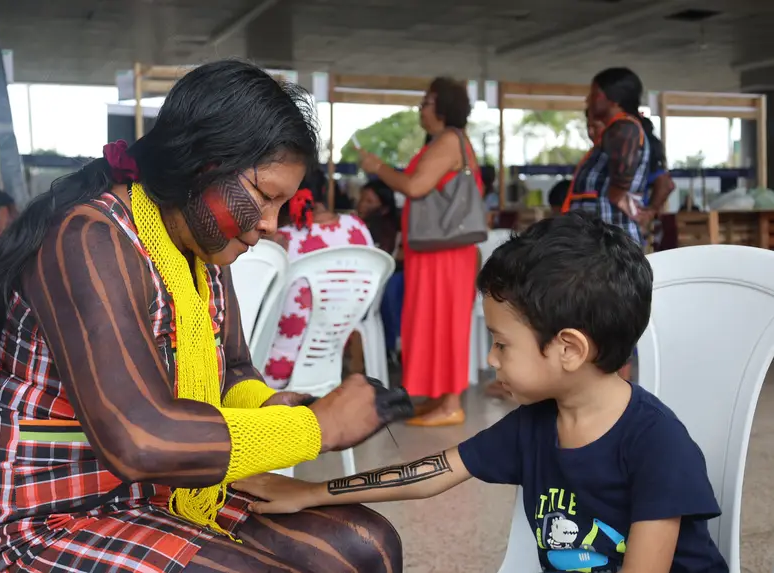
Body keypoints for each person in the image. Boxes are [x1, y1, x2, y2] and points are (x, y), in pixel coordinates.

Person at [0, 61, 408, 573]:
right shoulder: (89, 238)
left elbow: (233, 370)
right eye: (264, 197)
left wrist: (271, 405)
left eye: (283, 204)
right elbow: (140, 439)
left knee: (368, 544)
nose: (270, 224)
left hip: (160, 493)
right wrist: (315, 428)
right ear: (201, 167)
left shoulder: (201, 249)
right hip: (42, 522)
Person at [233, 212, 729, 573]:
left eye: (502, 344)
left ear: (569, 349)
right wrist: (311, 492)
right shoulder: (537, 424)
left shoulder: (658, 445)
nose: (491, 359)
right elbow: (431, 474)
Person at [358, 77, 483, 426]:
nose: (420, 108)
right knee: (431, 320)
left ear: (443, 107)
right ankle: (439, 396)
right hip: (434, 251)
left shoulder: (449, 140)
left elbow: (415, 186)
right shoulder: (444, 141)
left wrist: (378, 168)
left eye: (426, 102)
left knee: (446, 321)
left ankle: (451, 403)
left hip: (445, 252)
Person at [264, 169, 374, 387]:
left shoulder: (282, 241)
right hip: (329, 359)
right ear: (324, 191)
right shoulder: (357, 227)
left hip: (274, 367)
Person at [561, 68, 653, 245]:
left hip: (610, 237)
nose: (588, 100)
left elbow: (623, 173)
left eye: (594, 94)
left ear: (614, 98)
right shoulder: (614, 130)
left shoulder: (625, 128)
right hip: (601, 237)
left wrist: (618, 196)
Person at [356, 179, 404, 365]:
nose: (361, 204)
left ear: (384, 208)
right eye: (361, 199)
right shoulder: (361, 225)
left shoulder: (380, 229)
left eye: (369, 201)